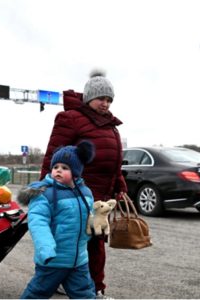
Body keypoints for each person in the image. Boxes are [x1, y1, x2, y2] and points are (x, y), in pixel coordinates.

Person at [40, 68, 128, 299]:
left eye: (109, 100)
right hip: (75, 194)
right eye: (101, 98)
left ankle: (93, 286)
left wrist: (120, 186)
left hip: (101, 197)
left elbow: (114, 163)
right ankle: (76, 284)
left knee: (95, 241)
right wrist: (44, 189)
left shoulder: (111, 127)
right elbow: (53, 157)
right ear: (89, 98)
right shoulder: (70, 119)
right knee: (77, 241)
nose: (106, 104)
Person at [18, 140, 96, 299]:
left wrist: (96, 227)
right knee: (37, 293)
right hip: (53, 259)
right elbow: (38, 223)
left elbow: (90, 218)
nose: (58, 170)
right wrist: (45, 248)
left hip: (79, 260)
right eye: (56, 167)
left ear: (76, 172)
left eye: (65, 168)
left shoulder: (86, 192)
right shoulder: (43, 194)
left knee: (85, 294)